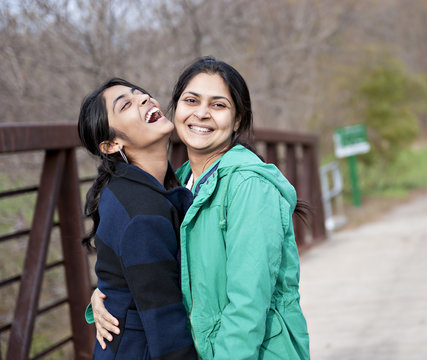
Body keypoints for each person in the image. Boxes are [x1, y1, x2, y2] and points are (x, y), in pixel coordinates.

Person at [91, 56, 311, 359]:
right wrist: (105, 297)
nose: (202, 114)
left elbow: (247, 305)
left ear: (237, 121)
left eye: (218, 105)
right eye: (191, 100)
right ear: (176, 108)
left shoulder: (249, 186)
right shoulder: (181, 184)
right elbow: (158, 266)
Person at [78, 78, 197, 359]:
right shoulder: (141, 212)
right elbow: (166, 326)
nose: (145, 99)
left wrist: (105, 290)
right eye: (126, 104)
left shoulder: (127, 185)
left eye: (141, 94)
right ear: (110, 144)